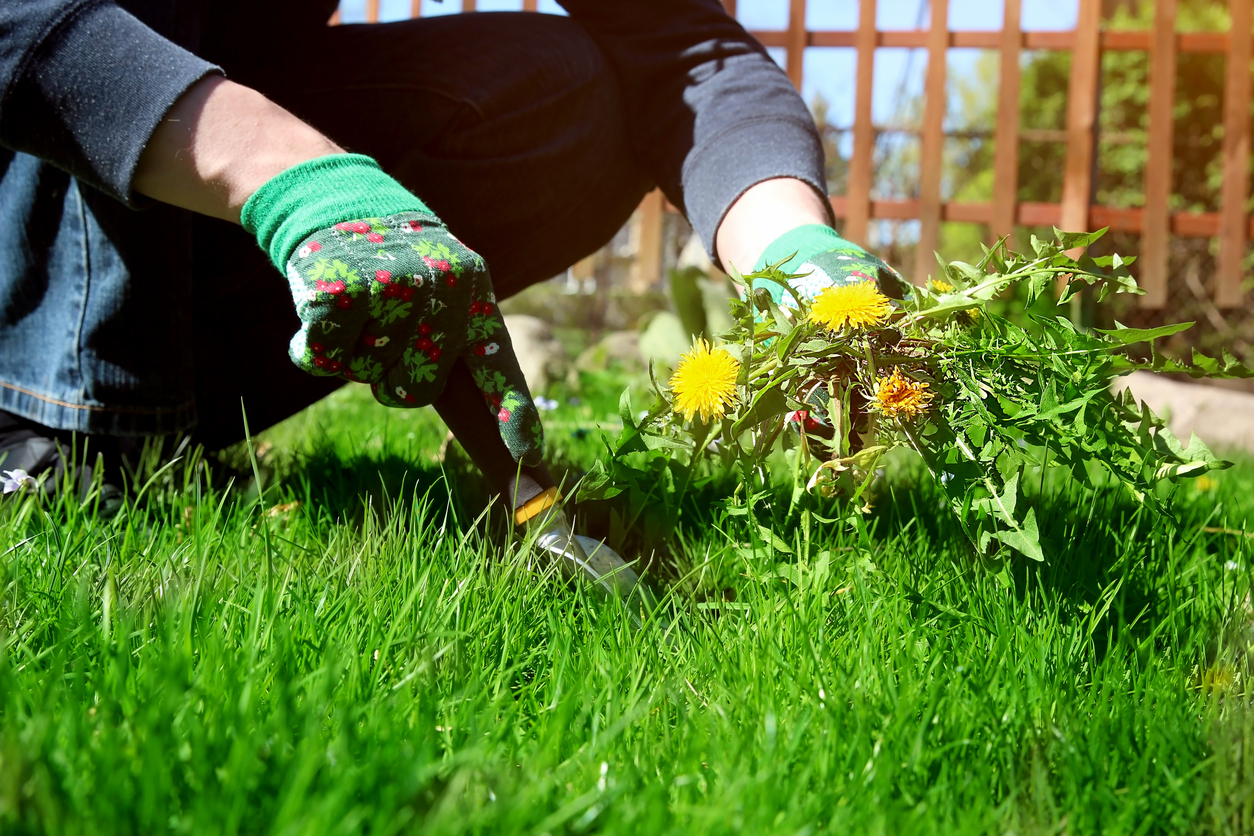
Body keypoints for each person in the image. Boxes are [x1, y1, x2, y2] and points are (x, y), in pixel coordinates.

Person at [0, 0, 903, 522]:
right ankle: (64, 422)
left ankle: (160, 419)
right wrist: (298, 182)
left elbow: (681, 48)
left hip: (187, 210)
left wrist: (794, 257)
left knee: (564, 92)